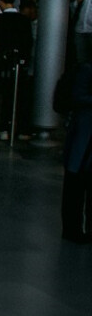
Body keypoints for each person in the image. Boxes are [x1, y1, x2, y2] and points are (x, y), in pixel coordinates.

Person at [63, 62, 92, 245]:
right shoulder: (86, 70)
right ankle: (73, 228)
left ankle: (76, 228)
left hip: (83, 136)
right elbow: (78, 96)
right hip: (84, 135)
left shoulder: (85, 69)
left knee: (79, 182)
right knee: (77, 182)